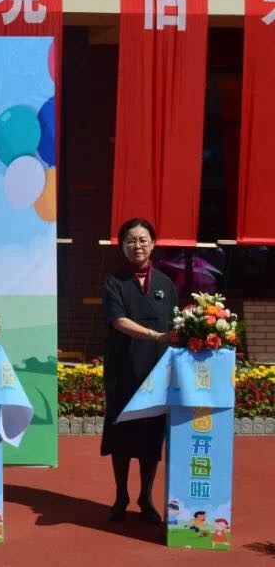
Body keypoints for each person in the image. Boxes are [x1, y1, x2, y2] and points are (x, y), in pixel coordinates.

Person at [102, 217, 177, 523]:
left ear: (153, 244)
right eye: (131, 240)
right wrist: (155, 336)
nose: (137, 245)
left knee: (150, 438)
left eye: (143, 240)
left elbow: (175, 326)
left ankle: (146, 497)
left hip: (156, 372)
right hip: (123, 370)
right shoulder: (114, 282)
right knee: (121, 437)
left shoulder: (166, 284)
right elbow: (117, 320)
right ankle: (121, 495)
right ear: (122, 246)